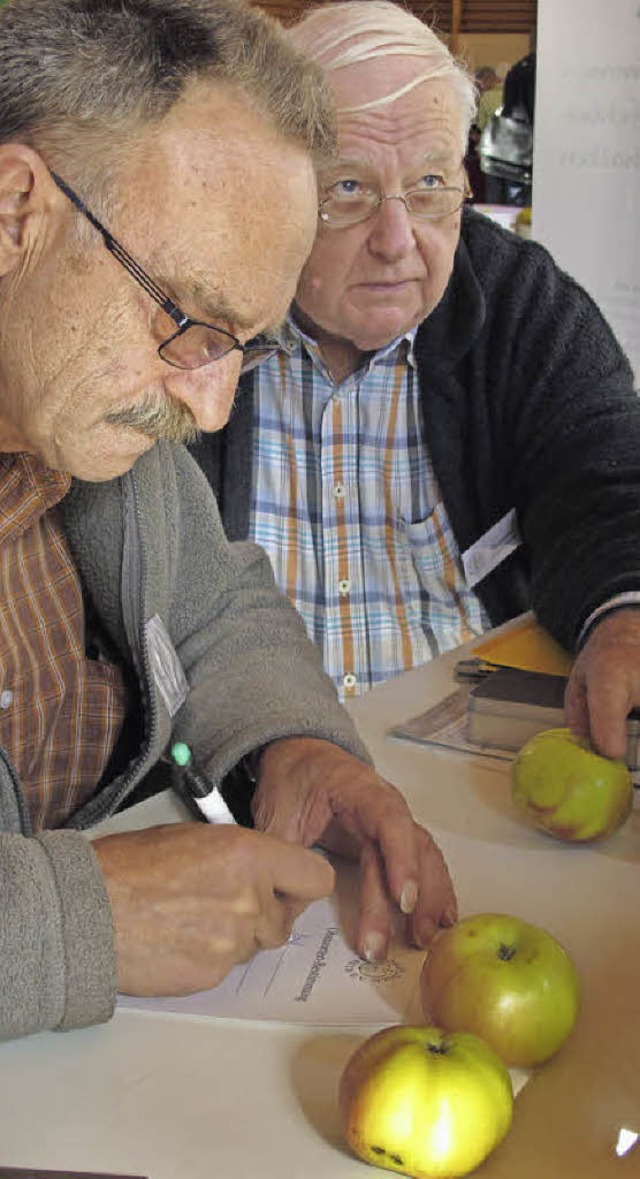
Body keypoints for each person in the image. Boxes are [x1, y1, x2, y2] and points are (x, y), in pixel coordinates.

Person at [0, 0, 457, 1043]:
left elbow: (215, 602)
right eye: (188, 323)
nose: (207, 411)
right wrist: (78, 922)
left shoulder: (74, 417)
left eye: (240, 346)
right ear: (15, 209)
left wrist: (291, 744)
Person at [191, 0, 640, 768]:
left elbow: (608, 479)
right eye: (349, 191)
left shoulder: (518, 303)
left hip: (476, 759)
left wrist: (624, 616)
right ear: (272, 184)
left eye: (431, 184)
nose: (398, 242)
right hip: (245, 761)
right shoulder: (194, 315)